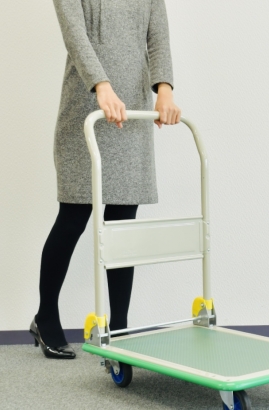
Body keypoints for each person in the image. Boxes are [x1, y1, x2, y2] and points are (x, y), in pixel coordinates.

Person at [29, 0, 181, 359]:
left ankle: (121, 328)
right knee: (72, 218)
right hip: (89, 105)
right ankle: (46, 315)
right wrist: (101, 84)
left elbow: (157, 35)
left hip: (132, 109)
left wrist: (165, 89)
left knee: (122, 226)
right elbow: (75, 34)